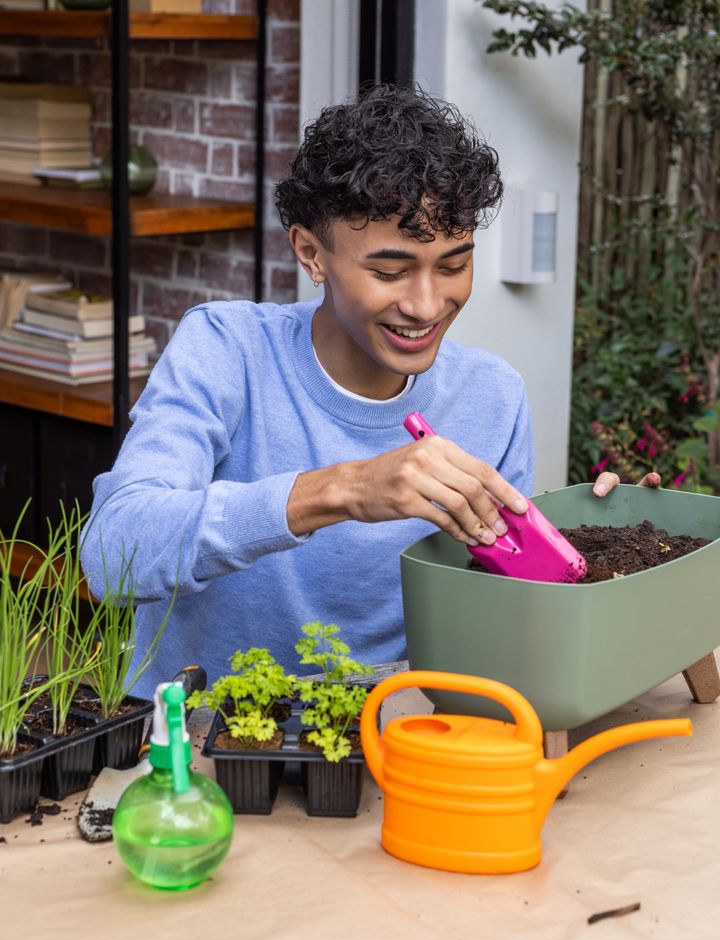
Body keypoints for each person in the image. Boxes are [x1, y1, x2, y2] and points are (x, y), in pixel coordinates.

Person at [81, 84, 658, 699]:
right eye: (389, 272)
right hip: (203, 746)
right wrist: (344, 489)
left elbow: (501, 613)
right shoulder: (227, 349)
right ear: (311, 254)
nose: (427, 304)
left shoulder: (492, 396)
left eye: (454, 265)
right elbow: (114, 554)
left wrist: (612, 546)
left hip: (393, 740)